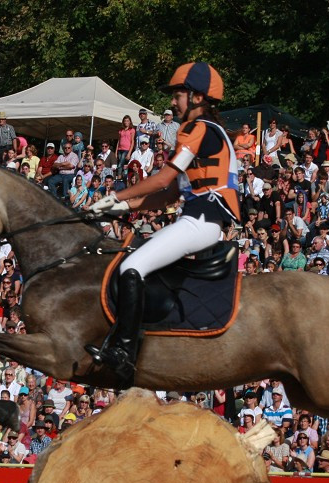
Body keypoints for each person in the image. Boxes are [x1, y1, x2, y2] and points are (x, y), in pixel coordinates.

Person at [87, 62, 238, 384]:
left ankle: (124, 353)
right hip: (198, 217)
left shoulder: (198, 129)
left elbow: (162, 179)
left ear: (197, 97)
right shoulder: (207, 130)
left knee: (132, 267)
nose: (173, 102)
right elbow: (168, 195)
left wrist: (117, 194)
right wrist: (118, 207)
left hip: (202, 220)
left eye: (178, 95)